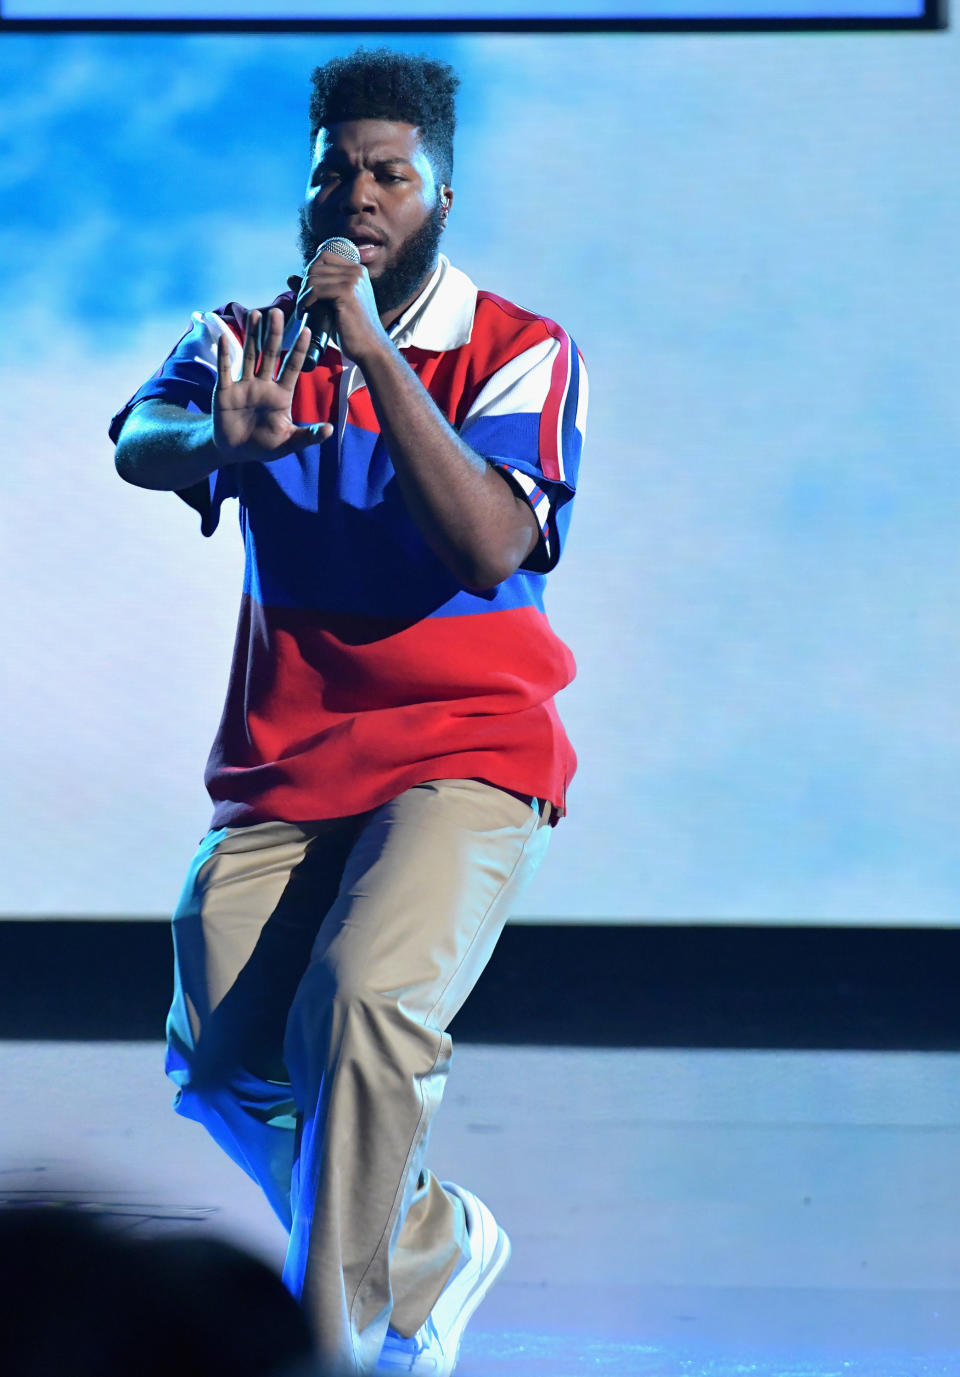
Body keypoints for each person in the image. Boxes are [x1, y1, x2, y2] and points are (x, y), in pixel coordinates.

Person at [111, 47, 586, 1377]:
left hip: (469, 752)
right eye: (335, 171)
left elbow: (493, 542)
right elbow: (140, 434)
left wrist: (375, 353)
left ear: (442, 190)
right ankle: (429, 1240)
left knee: (366, 1007)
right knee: (219, 1066)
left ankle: (339, 1344)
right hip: (290, 764)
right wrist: (221, 444)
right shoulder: (245, 339)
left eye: (389, 172)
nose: (358, 195)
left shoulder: (519, 350)